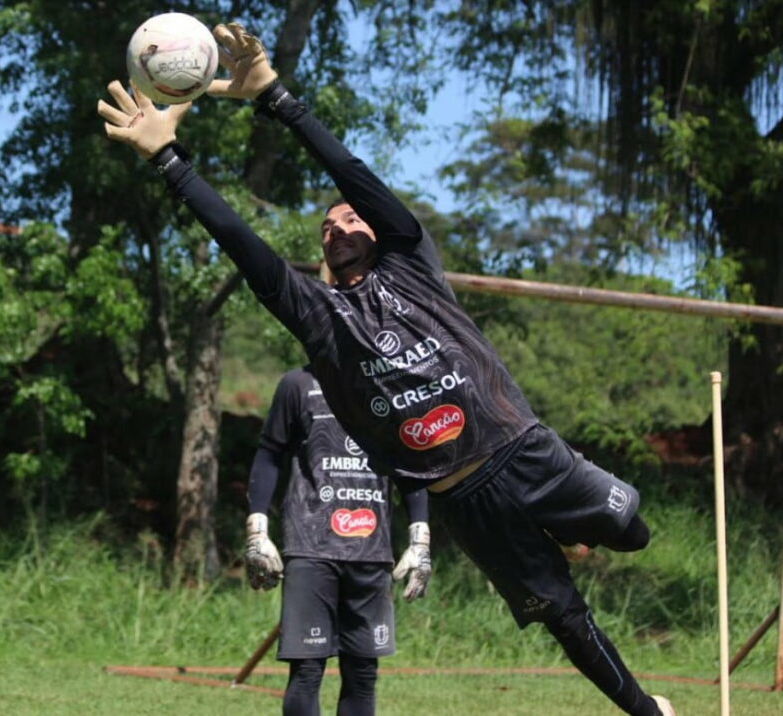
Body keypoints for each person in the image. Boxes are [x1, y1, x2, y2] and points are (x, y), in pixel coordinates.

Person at [97, 22, 674, 716]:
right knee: (562, 616)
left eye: (349, 220)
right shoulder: (317, 319)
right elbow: (240, 242)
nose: (339, 226)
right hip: (465, 497)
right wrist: (169, 161)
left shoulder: (411, 260)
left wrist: (278, 99)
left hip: (525, 453)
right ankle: (647, 711)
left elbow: (354, 177)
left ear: (375, 228)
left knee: (633, 531)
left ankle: (582, 527)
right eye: (325, 227)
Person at [245, 362, 431, 716]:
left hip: (371, 551)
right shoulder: (297, 384)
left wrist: (420, 540)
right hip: (309, 546)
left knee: (362, 674)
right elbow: (269, 454)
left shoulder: (391, 387)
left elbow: (411, 467)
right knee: (307, 671)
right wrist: (257, 532)